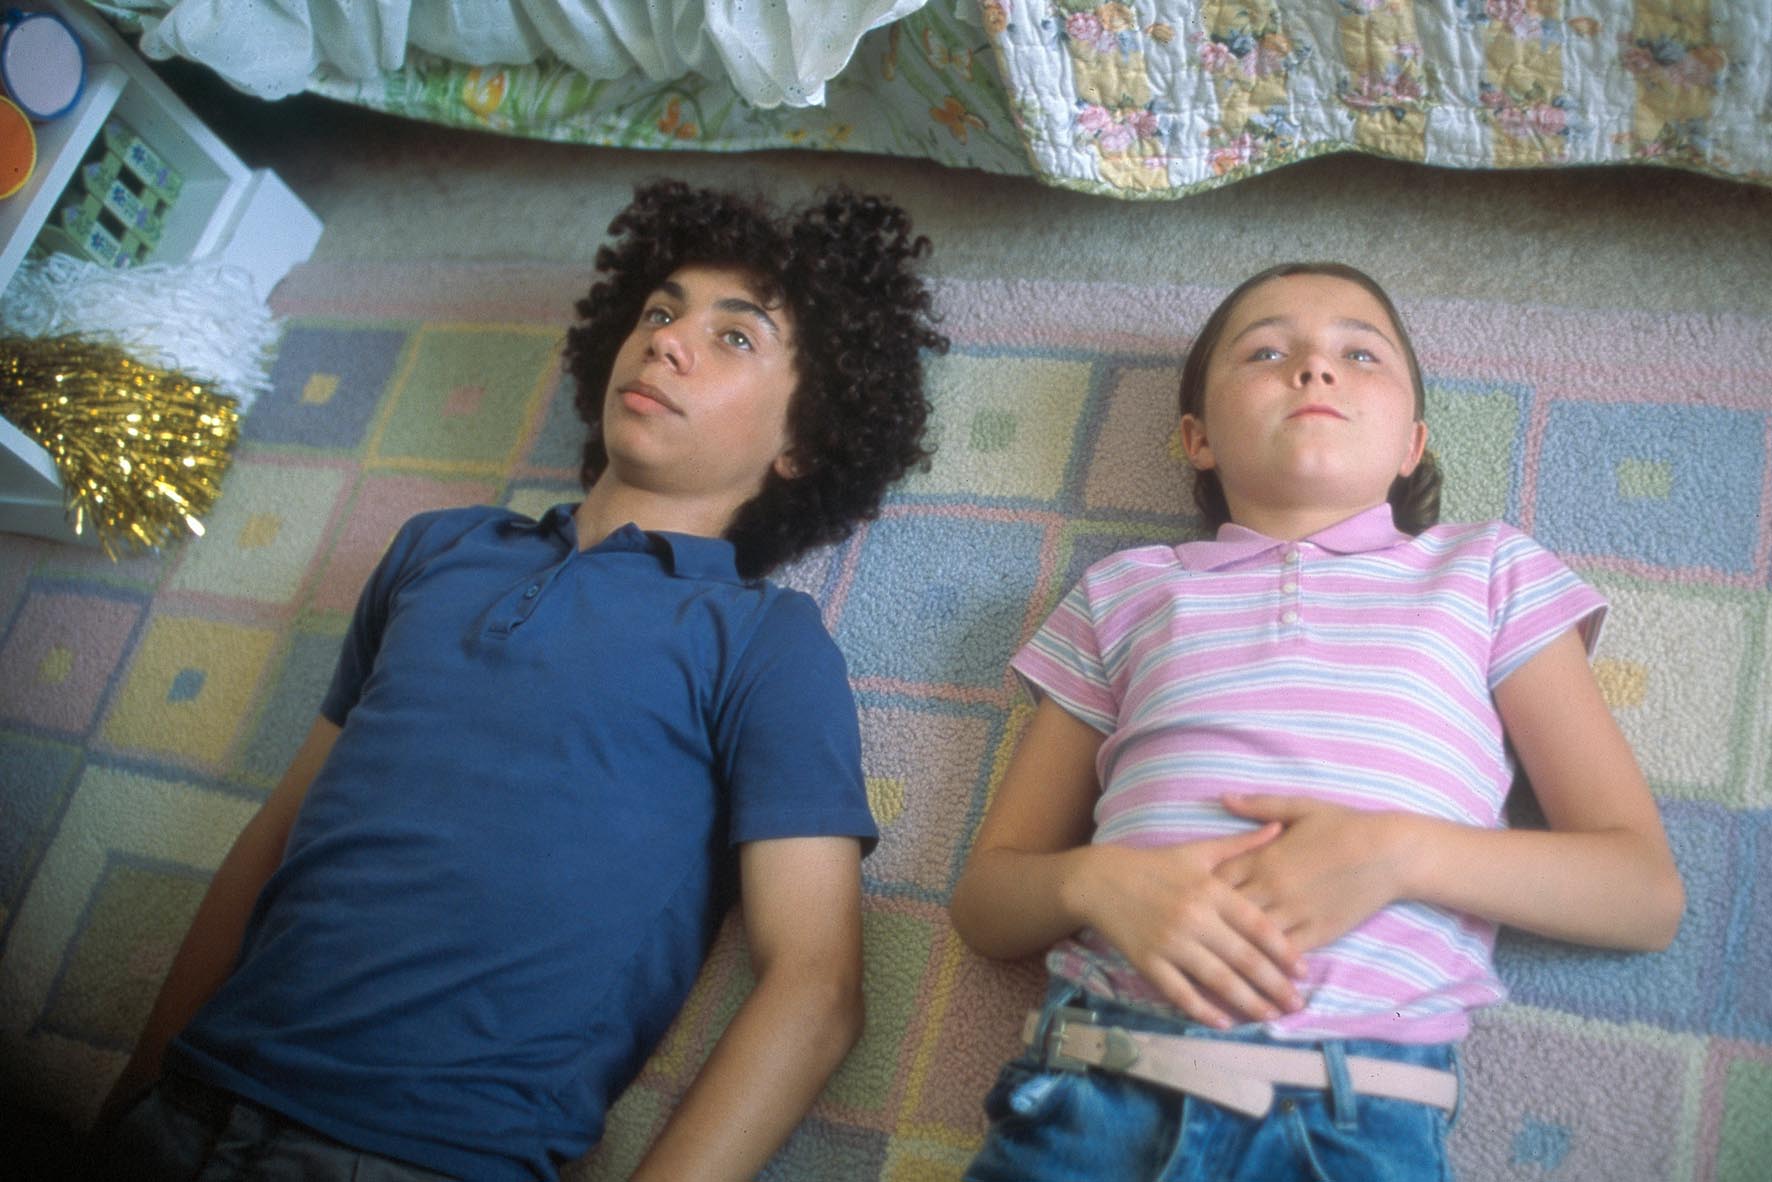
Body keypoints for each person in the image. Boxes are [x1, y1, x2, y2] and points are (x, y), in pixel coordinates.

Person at [90, 179, 949, 1182]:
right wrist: (138, 1082)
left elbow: (816, 988)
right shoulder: (436, 549)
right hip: (185, 1103)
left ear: (802, 443)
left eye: (734, 337)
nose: (668, 342)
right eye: (659, 311)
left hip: (431, 1157)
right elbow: (281, 827)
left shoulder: (765, 642)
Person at [948, 262, 1684, 1180]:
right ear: (1197, 438)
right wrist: (1094, 883)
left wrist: (1399, 854)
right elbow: (985, 904)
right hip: (1091, 1092)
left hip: (1354, 1119)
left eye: (1359, 354)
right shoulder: (1123, 591)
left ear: (1411, 443)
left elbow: (1642, 894)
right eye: (1266, 351)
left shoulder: (1486, 572)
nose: (1314, 368)